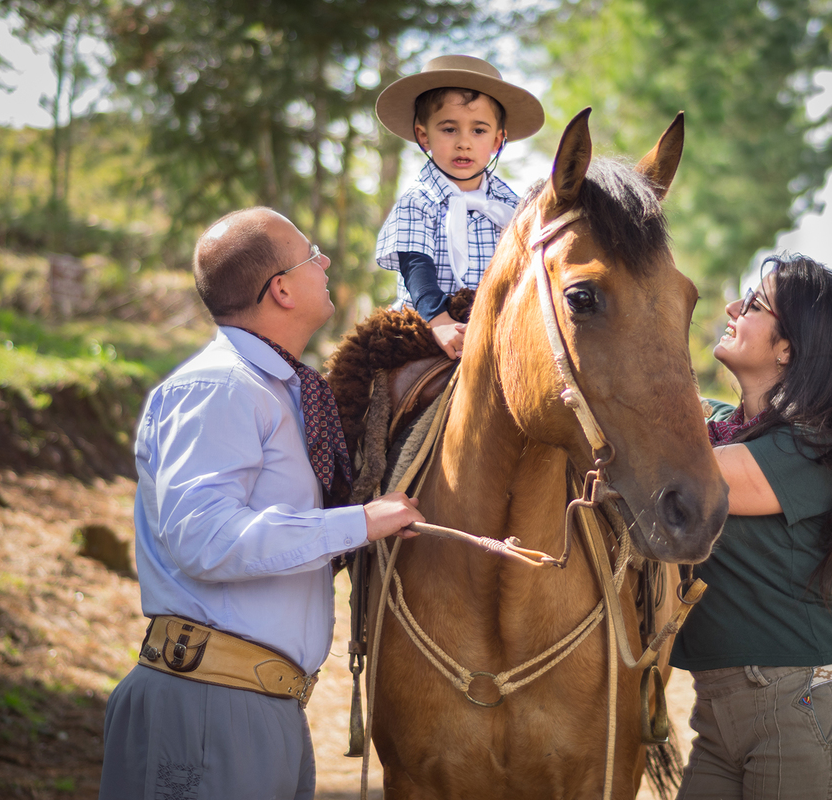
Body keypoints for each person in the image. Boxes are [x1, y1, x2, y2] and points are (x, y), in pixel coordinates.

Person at [98, 207, 424, 800]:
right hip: (210, 709)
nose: (326, 261)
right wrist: (359, 523)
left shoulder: (283, 393)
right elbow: (205, 539)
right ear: (281, 289)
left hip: (260, 707)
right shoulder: (219, 387)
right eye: (312, 255)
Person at [669, 254, 832, 799]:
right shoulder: (723, 428)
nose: (733, 307)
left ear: (788, 348)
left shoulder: (811, 449)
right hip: (719, 718)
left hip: (805, 715)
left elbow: (678, 469)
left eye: (754, 304)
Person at [374, 54, 545, 360]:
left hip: (497, 329)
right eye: (449, 129)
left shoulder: (513, 207)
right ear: (424, 136)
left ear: (497, 141)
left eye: (478, 131)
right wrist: (440, 322)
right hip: (428, 325)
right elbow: (416, 268)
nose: (463, 142)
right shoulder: (418, 200)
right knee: (383, 379)